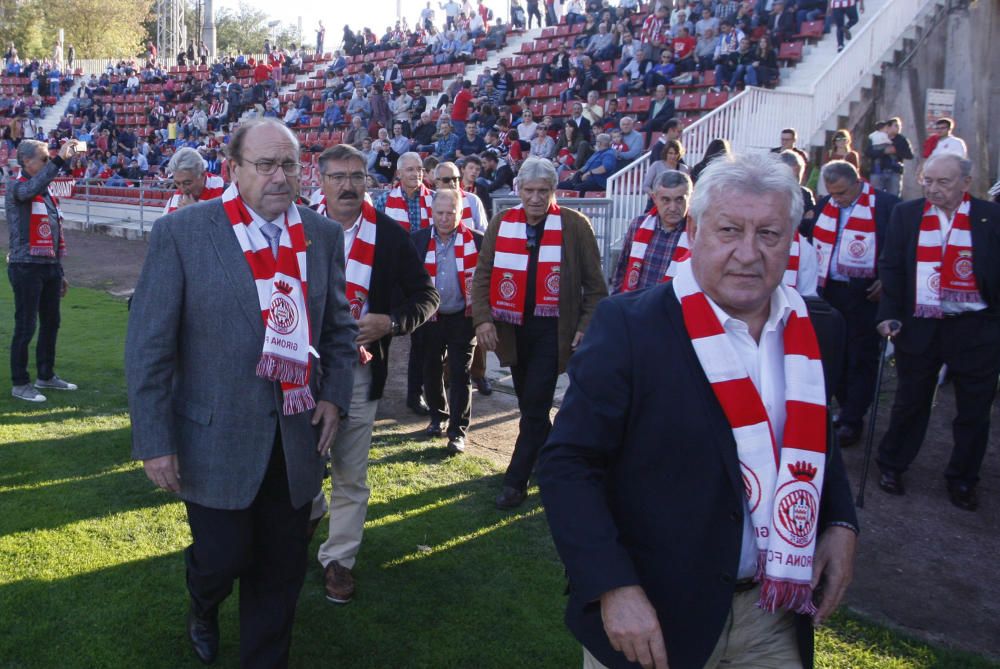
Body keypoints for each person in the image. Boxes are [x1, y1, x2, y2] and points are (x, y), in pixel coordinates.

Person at [537, 151, 859, 669]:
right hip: (654, 618)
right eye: (729, 230)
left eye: (769, 234)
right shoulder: (630, 327)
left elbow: (812, 436)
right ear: (693, 229)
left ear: (792, 239)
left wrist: (840, 521)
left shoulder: (814, 326)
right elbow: (567, 463)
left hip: (771, 615)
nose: (748, 253)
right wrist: (613, 588)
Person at [125, 119, 359, 666]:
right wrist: (155, 440)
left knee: (280, 570)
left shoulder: (321, 237)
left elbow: (339, 329)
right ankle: (203, 602)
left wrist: (335, 397)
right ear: (232, 170)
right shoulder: (184, 233)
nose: (281, 176)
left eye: (291, 165)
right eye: (266, 165)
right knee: (221, 558)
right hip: (215, 437)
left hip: (297, 437)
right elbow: (149, 348)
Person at [306, 143, 439, 603]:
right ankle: (309, 510)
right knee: (299, 461)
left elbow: (427, 296)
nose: (347, 185)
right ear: (319, 181)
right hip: (300, 370)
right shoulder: (296, 227)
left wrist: (390, 323)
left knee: (351, 471)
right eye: (338, 176)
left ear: (368, 182)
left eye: (356, 176)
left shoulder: (389, 234)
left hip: (360, 372)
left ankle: (339, 559)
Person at [471, 157, 608, 509]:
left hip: (555, 330)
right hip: (512, 329)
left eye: (543, 191)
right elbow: (482, 276)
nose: (535, 198)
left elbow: (595, 288)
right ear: (518, 190)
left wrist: (584, 326)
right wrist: (483, 320)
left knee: (533, 408)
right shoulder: (502, 223)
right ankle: (556, 462)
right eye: (529, 191)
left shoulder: (575, 225)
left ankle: (515, 481)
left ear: (554, 190)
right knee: (532, 405)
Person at [875, 153, 1000, 512]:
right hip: (921, 322)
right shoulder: (907, 213)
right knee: (910, 401)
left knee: (974, 411)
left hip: (975, 328)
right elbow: (892, 267)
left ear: (965, 183)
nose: (933, 189)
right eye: (927, 180)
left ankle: (963, 478)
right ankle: (892, 465)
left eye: (943, 182)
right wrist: (888, 315)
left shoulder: (991, 219)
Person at [7, 139, 81, 402]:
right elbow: (32, 188)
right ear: (27, 161)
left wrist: (59, 272)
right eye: (44, 159)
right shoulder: (16, 186)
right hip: (25, 266)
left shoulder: (45, 190)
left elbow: (53, 234)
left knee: (51, 323)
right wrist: (60, 160)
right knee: (26, 326)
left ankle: (45, 375)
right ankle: (20, 383)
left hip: (47, 266)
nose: (48, 162)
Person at [411, 189, 483, 454]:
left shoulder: (477, 241)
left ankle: (457, 432)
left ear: (461, 212)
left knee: (460, 373)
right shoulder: (417, 240)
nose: (444, 218)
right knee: (430, 369)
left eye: (450, 213)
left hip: (463, 317)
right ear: (432, 212)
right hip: (428, 318)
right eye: (439, 213)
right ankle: (437, 417)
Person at [611, 170, 692, 294]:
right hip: (636, 307)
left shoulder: (698, 233)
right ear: (654, 198)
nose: (673, 207)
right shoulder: (638, 225)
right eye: (666, 200)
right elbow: (622, 269)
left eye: (680, 200)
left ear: (691, 198)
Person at [163, 147, 225, 214]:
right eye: (177, 183)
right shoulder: (174, 199)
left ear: (202, 174)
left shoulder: (225, 194)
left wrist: (194, 213)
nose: (182, 189)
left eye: (187, 183)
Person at [867, 116, 913, 198]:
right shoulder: (876, 137)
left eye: (900, 126)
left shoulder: (901, 139)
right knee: (876, 198)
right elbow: (868, 152)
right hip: (878, 172)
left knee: (893, 198)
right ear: (888, 126)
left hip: (894, 173)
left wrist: (897, 151)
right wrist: (883, 152)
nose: (899, 128)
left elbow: (909, 155)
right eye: (896, 125)